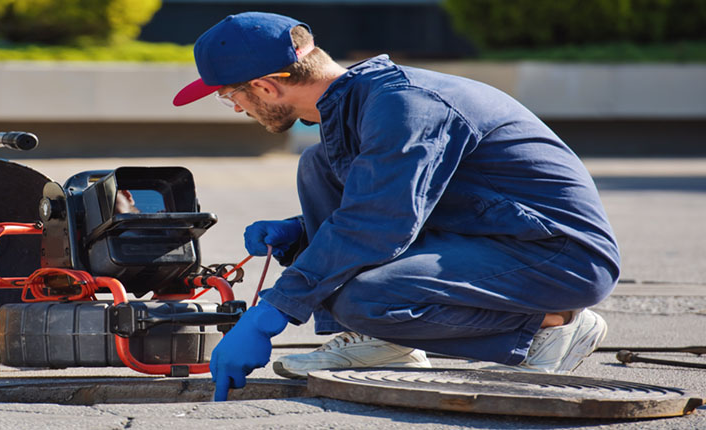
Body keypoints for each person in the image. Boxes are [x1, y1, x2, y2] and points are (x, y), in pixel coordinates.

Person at [171, 12, 620, 401]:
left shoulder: (404, 106)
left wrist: (272, 312)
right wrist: (301, 232)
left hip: (557, 256)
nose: (233, 109)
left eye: (229, 96)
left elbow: (378, 224)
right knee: (319, 164)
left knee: (366, 298)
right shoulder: (359, 106)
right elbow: (391, 201)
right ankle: (381, 344)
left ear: (266, 87)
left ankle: (550, 326)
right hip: (494, 236)